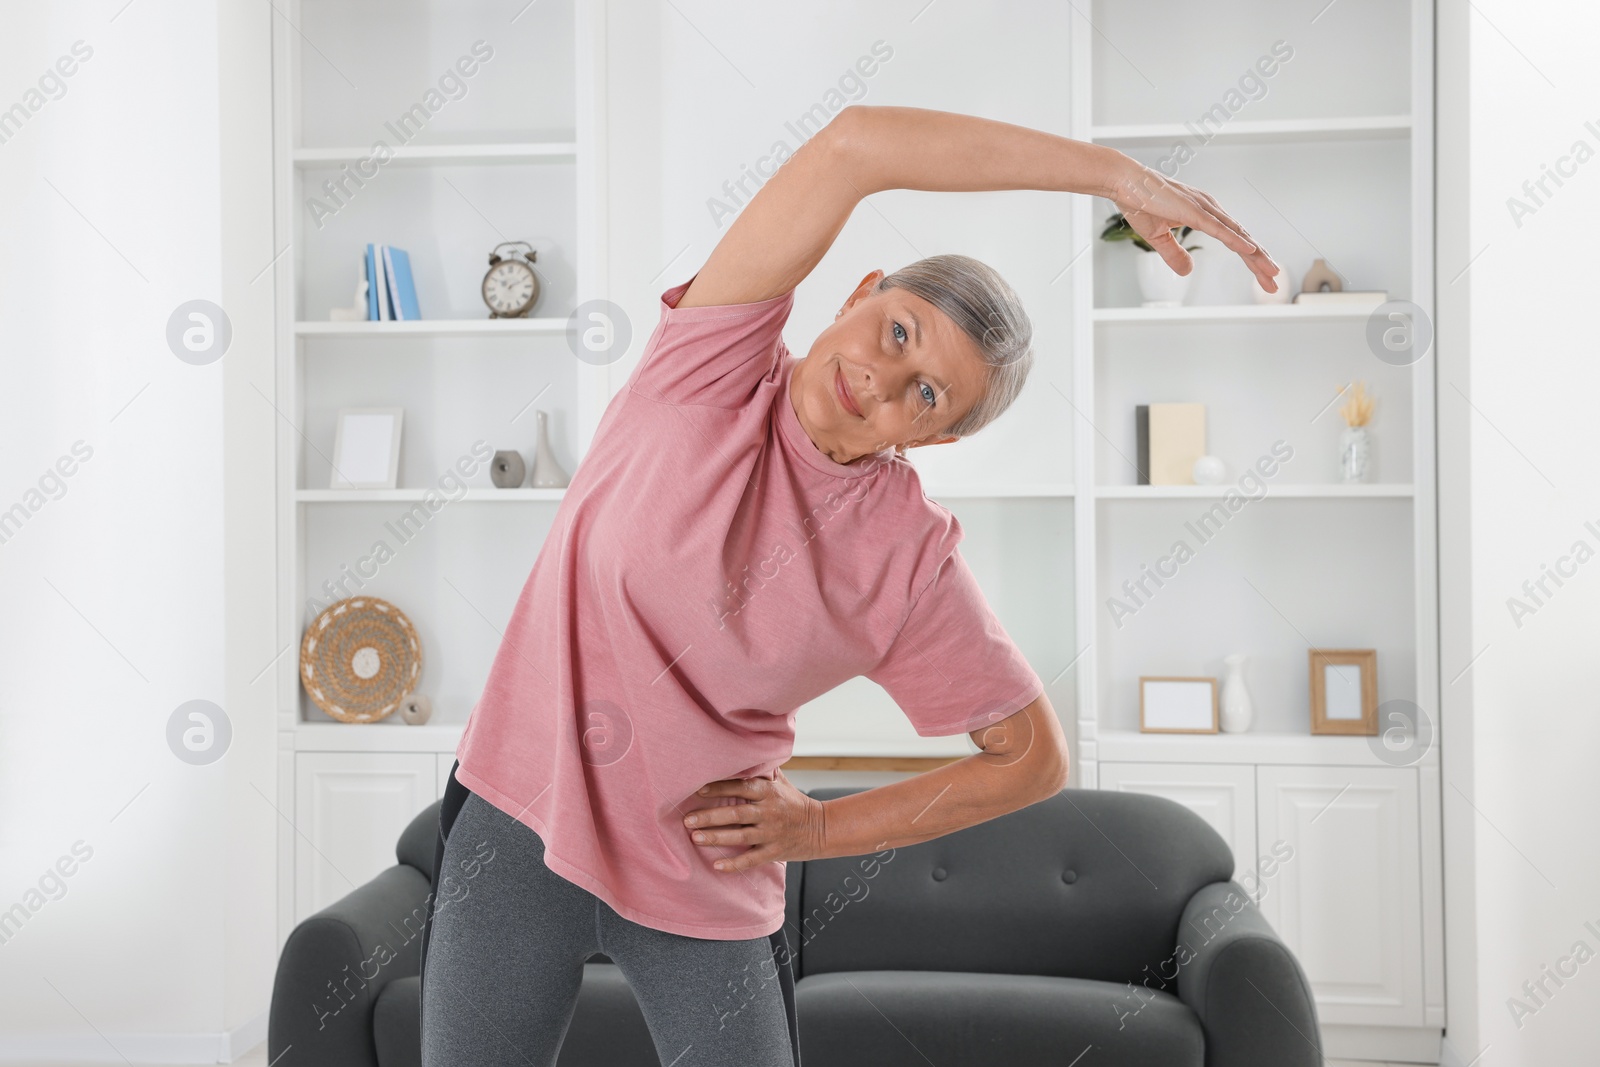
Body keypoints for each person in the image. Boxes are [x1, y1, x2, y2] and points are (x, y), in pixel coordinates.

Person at [419, 104, 1279, 1067]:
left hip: (701, 869)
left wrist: (821, 825)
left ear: (937, 437)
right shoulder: (711, 364)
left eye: (927, 393)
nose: (883, 378)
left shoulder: (906, 556)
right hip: (516, 818)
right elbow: (855, 144)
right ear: (858, 292)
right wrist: (1111, 176)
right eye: (898, 331)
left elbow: (1029, 758)